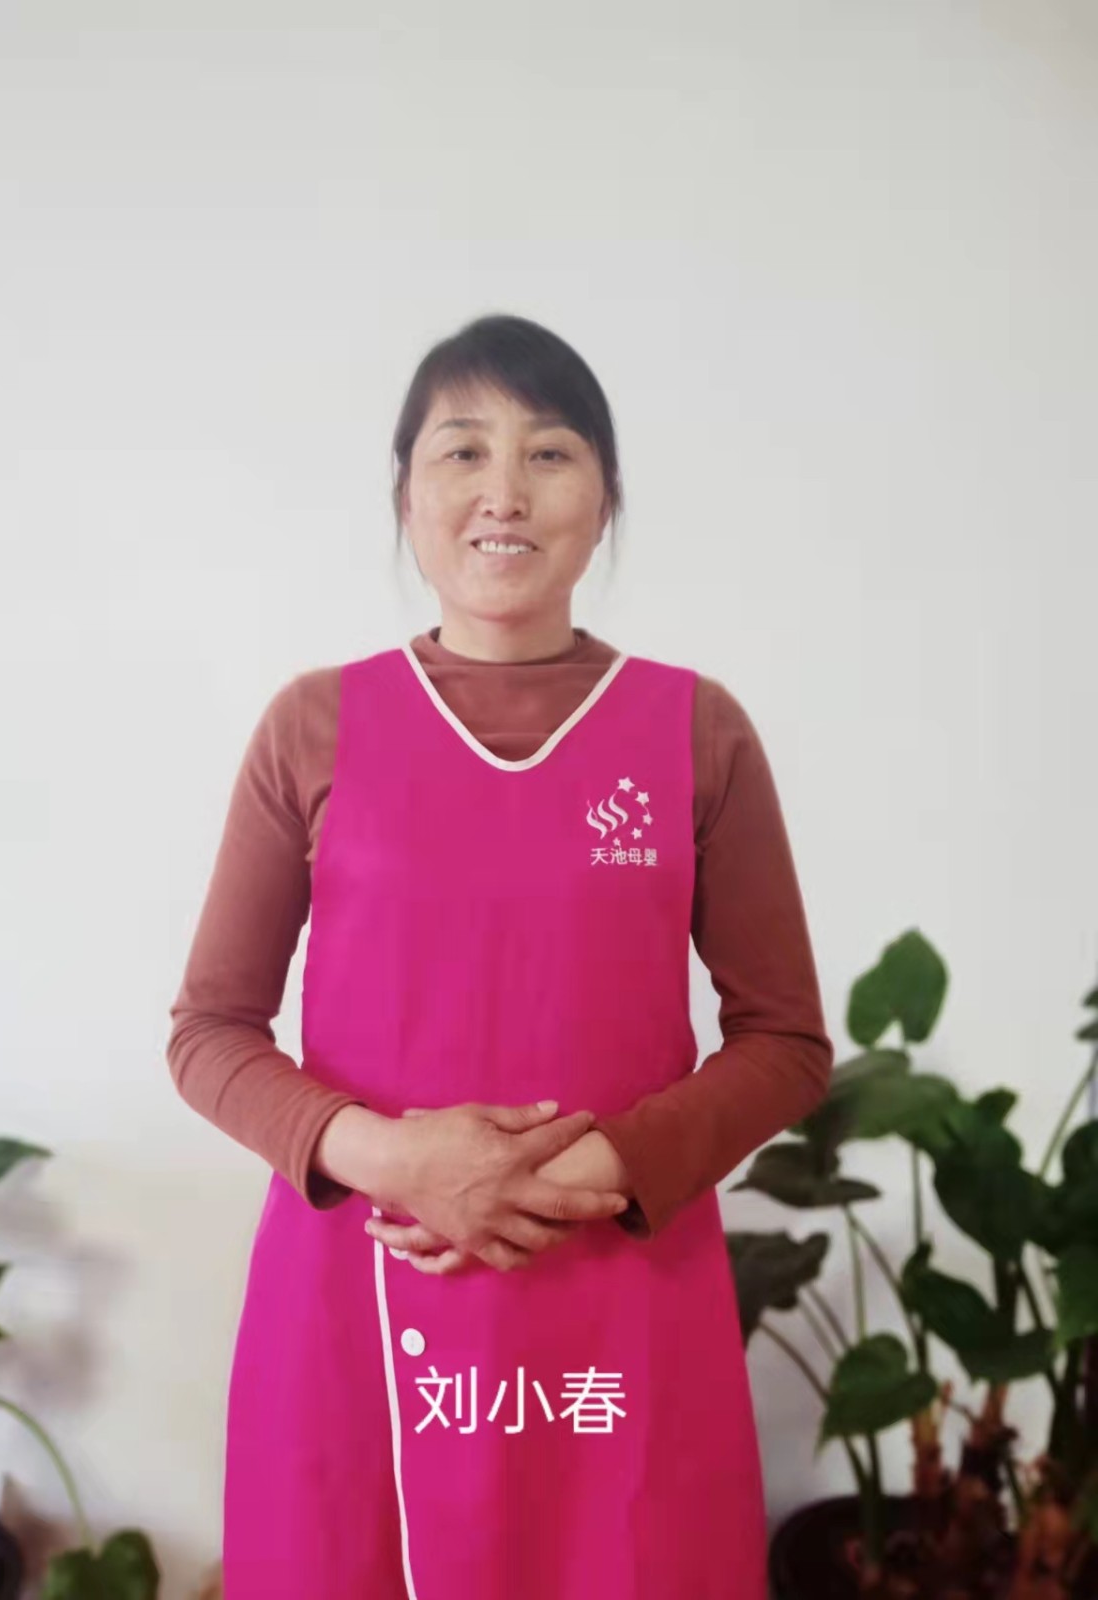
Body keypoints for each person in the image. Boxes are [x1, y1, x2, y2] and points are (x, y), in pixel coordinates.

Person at [166, 312, 834, 1599]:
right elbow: (209, 1031)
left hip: (618, 1284)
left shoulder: (694, 731)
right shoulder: (313, 726)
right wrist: (392, 1158)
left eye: (550, 452)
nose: (504, 492)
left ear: (605, 498)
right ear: (406, 496)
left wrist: (600, 1170)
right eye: (462, 451)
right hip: (360, 1289)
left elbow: (785, 1042)